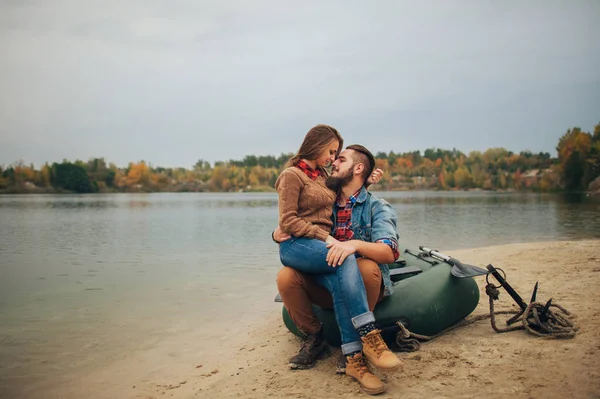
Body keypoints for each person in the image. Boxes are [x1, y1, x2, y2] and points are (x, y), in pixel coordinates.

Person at [274, 127, 400, 394]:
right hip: (323, 267)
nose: (333, 161)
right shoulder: (325, 197)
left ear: (357, 170)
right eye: (332, 154)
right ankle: (343, 337)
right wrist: (276, 233)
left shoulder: (377, 206)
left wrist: (352, 245)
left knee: (350, 258)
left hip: (361, 281)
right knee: (290, 275)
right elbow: (295, 216)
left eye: (339, 158)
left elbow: (389, 252)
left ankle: (355, 354)